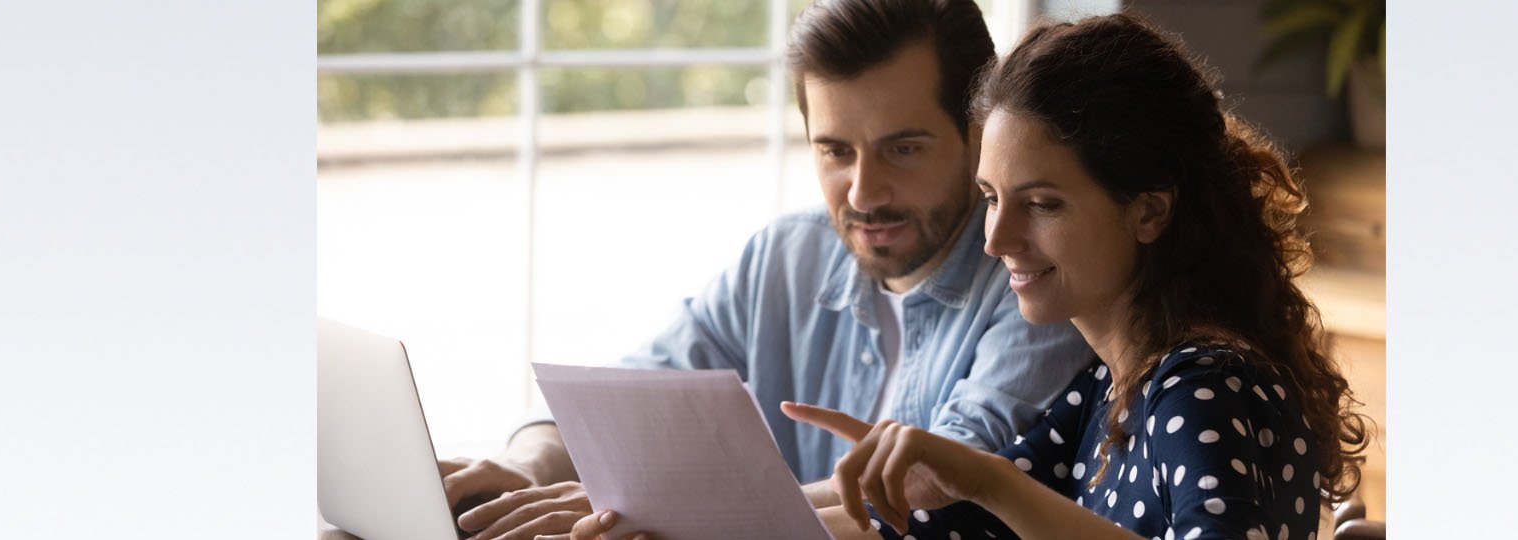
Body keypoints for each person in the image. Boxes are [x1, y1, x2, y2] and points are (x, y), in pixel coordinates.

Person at [566, 12, 1369, 540]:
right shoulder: (1111, 390)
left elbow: (985, 492)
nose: (997, 240)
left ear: (1149, 211)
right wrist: (649, 514)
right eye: (990, 199)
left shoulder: (1205, 384)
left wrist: (980, 478)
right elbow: (942, 519)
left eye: (1043, 204)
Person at [436, 1, 1093, 539]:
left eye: (902, 149)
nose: (863, 192)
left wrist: (653, 514)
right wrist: (526, 469)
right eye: (835, 151)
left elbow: (930, 482)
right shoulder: (785, 257)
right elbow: (623, 399)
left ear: (978, 134)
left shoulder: (1034, 281)